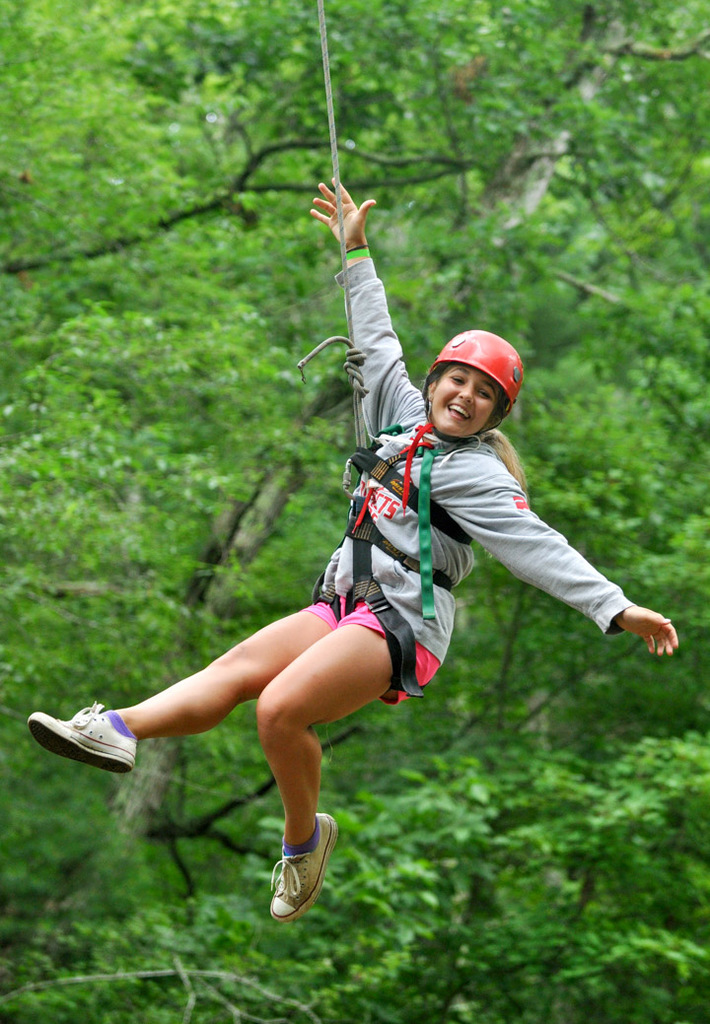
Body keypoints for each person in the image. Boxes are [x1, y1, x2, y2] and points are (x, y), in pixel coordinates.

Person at [27, 182, 679, 923]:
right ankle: (115, 730)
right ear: (435, 381)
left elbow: (539, 547)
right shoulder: (400, 414)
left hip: (403, 620)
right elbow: (375, 335)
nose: (464, 396)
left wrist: (615, 608)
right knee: (236, 672)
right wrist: (355, 252)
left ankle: (303, 845)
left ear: (496, 414)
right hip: (348, 601)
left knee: (280, 710)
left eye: (483, 394)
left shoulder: (478, 476)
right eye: (457, 379)